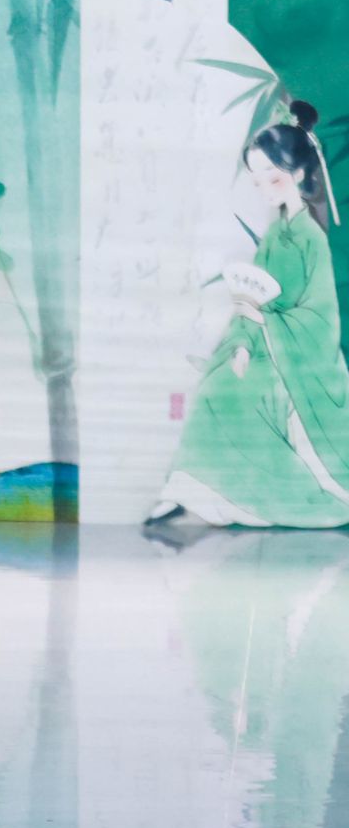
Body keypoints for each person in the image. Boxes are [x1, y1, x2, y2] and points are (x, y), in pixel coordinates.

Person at [151, 99, 349, 528]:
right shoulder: (276, 233)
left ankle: (239, 496)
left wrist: (267, 325)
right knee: (216, 386)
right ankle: (189, 490)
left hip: (301, 363)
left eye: (272, 177)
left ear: (299, 174)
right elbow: (252, 298)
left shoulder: (311, 238)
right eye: (257, 180)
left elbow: (321, 319)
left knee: (234, 394)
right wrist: (242, 342)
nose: (265, 188)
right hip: (265, 345)